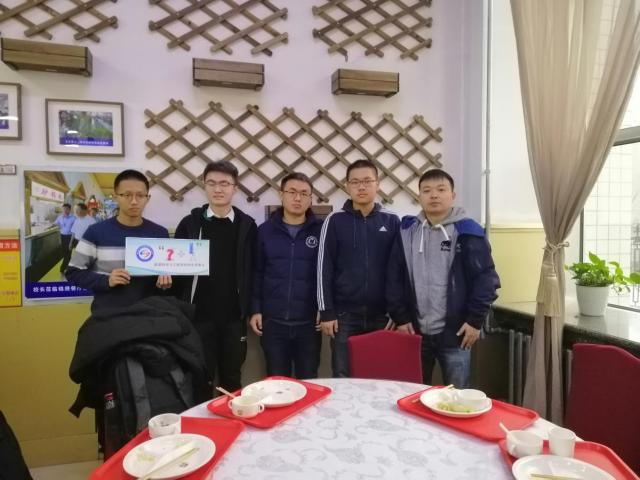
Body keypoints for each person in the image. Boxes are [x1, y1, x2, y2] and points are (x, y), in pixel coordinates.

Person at [387, 169, 501, 389]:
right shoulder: (407, 231)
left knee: (456, 396)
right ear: (419, 196)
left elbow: (485, 279)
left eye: (441, 190)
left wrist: (475, 321)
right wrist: (400, 318)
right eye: (427, 190)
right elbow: (394, 278)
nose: (434, 195)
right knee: (413, 393)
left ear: (452, 195)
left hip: (457, 332)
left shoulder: (469, 232)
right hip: (414, 331)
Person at [174, 161, 257, 395]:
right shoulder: (190, 224)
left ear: (235, 188)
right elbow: (176, 268)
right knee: (201, 376)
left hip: (234, 317)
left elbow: (255, 271)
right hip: (198, 317)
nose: (217, 189)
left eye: (224, 184)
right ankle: (201, 419)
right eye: (211, 183)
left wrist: (252, 309)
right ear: (204, 186)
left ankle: (233, 416)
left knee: (232, 377)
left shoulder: (247, 227)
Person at [318, 159, 400, 378]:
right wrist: (327, 312)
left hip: (382, 316)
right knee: (342, 375)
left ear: (377, 184)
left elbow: (399, 271)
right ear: (347, 186)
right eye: (355, 182)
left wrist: (397, 311)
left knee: (381, 376)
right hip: (344, 316)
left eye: (367, 181)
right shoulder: (334, 221)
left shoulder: (392, 221)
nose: (361, 187)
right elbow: (324, 269)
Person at [250, 172, 323, 379]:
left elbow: (328, 273)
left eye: (304, 193)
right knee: (276, 381)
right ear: (281, 194)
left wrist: (325, 308)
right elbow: (257, 272)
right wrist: (255, 309)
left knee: (308, 379)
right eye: (292, 192)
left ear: (311, 199)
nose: (297, 198)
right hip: (273, 322)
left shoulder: (322, 231)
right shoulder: (264, 231)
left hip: (309, 322)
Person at [65, 170, 171, 312]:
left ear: (147, 198)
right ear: (115, 198)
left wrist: (165, 284)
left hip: (151, 314)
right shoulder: (96, 232)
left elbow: (166, 276)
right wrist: (106, 280)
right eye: (126, 195)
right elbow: (73, 272)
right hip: (108, 315)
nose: (134, 201)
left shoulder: (159, 233)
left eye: (140, 195)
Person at [46, 203, 76, 273]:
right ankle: (67, 267)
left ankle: (63, 268)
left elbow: (75, 230)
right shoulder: (60, 217)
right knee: (65, 253)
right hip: (63, 236)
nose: (65, 211)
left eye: (67, 209)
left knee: (68, 253)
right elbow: (55, 223)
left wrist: (71, 242)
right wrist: (49, 227)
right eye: (64, 209)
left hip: (70, 237)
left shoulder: (74, 218)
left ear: (70, 210)